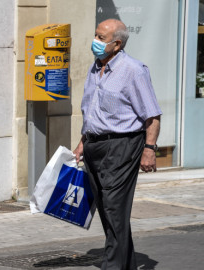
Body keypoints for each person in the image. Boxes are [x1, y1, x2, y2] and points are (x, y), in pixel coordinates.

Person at [73, 19, 162, 270]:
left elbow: (152, 115)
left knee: (113, 207)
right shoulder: (95, 68)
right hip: (94, 146)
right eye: (96, 35)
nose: (96, 42)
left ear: (117, 44)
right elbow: (92, 111)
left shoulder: (133, 69)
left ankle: (112, 266)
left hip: (122, 146)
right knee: (107, 208)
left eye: (101, 38)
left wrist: (149, 149)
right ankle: (127, 264)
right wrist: (82, 142)